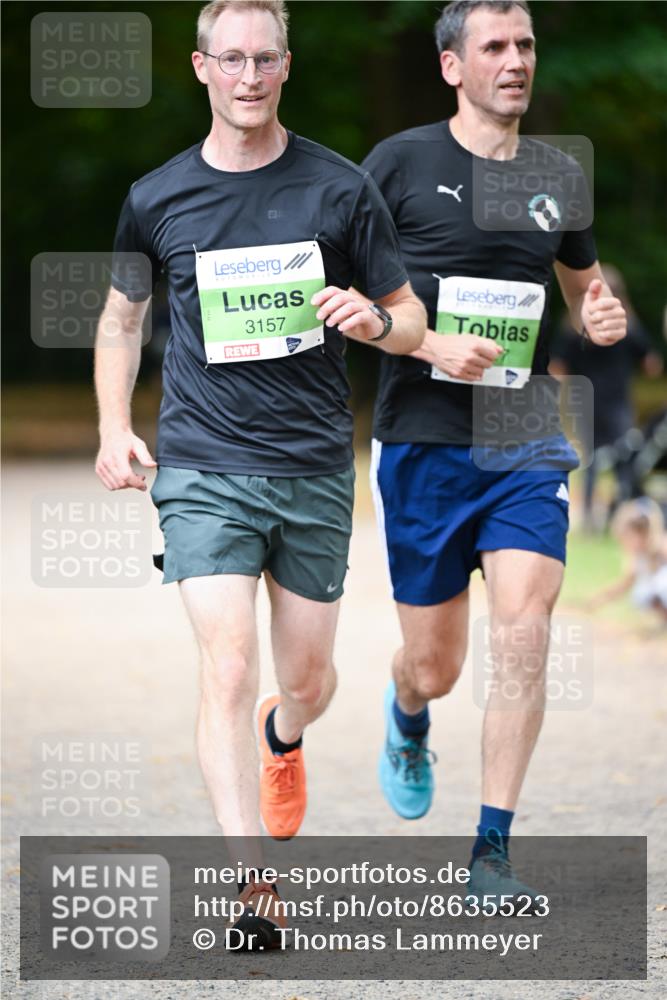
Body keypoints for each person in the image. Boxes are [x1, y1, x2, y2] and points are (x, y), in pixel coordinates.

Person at [94, 0, 425, 948]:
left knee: (306, 680)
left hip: (313, 462)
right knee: (227, 666)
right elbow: (123, 318)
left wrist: (372, 321)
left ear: (286, 67)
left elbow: (405, 320)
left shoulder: (340, 187)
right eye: (230, 59)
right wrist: (116, 426)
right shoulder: (157, 196)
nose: (248, 76)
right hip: (204, 463)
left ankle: (287, 737)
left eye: (264, 59)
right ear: (201, 67)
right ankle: (253, 892)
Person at [362, 0, 627, 901]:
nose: (515, 61)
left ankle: (491, 849)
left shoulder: (557, 173)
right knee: (434, 665)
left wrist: (598, 314)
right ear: (452, 66)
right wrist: (425, 340)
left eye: (524, 45)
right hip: (422, 440)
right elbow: (345, 302)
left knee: (523, 629)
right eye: (494, 47)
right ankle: (406, 713)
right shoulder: (398, 164)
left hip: (521, 438)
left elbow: (585, 285)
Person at [550, 263, 663, 530]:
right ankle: (620, 514)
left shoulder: (572, 330)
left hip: (585, 402)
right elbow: (652, 365)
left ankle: (589, 516)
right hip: (617, 403)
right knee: (624, 458)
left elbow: (557, 369)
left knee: (590, 461)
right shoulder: (627, 327)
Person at [585, 498, 667, 623]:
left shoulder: (661, 547)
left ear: (643, 533)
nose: (624, 543)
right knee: (641, 593)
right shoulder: (638, 557)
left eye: (627, 537)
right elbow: (626, 583)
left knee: (660, 586)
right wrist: (601, 598)